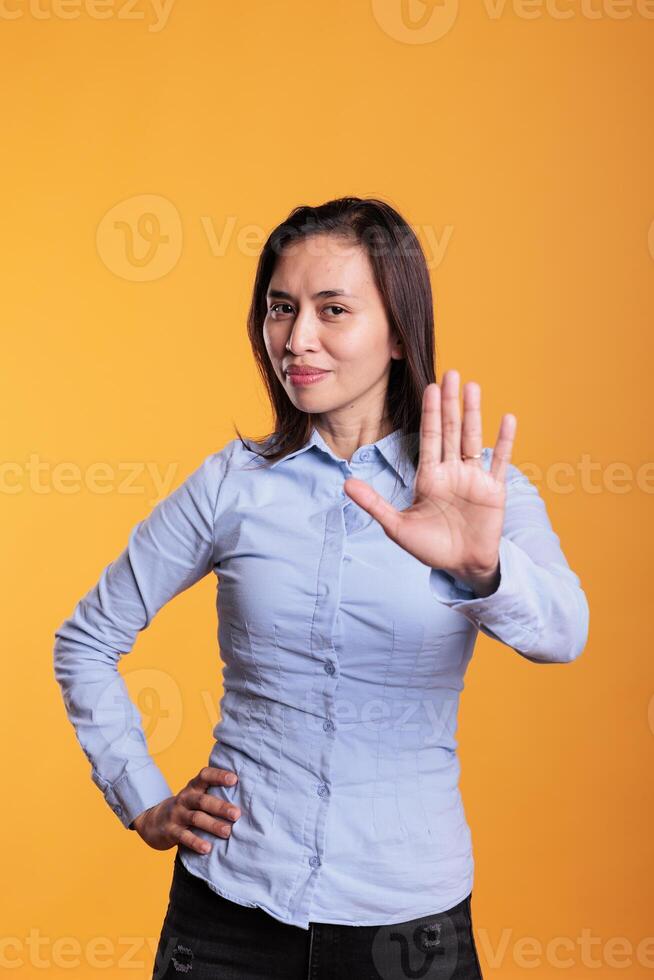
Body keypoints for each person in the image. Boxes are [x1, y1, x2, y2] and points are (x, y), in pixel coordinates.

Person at [53, 196, 589, 979]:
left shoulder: (478, 491)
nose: (296, 339)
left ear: (401, 333)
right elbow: (86, 640)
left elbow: (564, 634)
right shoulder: (231, 484)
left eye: (332, 309)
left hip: (411, 928)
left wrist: (481, 569)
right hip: (229, 913)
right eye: (280, 309)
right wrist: (143, 798)